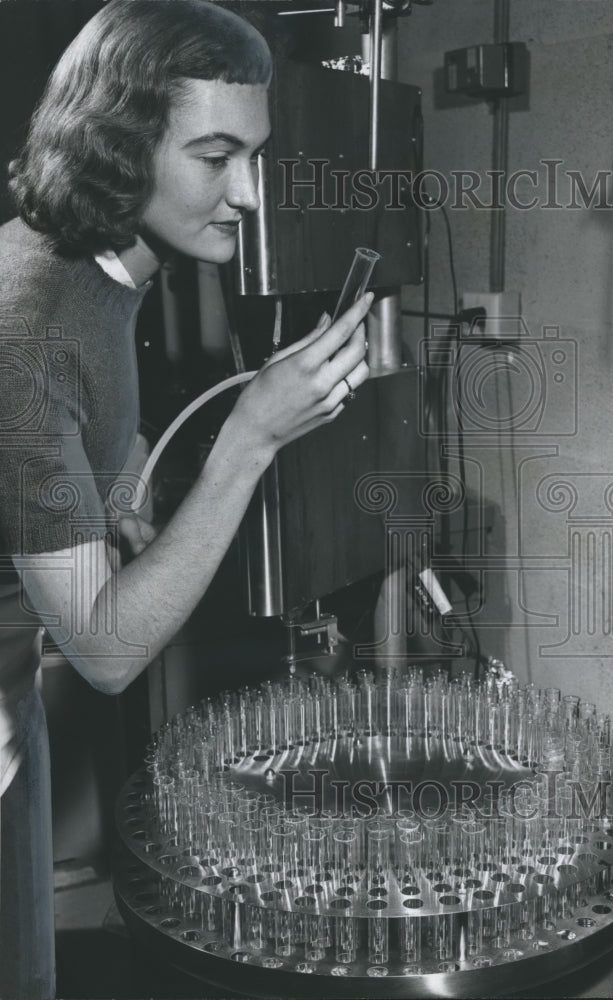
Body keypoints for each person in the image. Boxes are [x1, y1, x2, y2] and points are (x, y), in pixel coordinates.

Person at [0, 1, 371, 995]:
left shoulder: (103, 265)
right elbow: (107, 651)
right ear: (118, 151)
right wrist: (251, 437)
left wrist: (117, 487)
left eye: (255, 155)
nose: (247, 194)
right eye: (214, 158)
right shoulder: (26, 330)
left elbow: (88, 411)